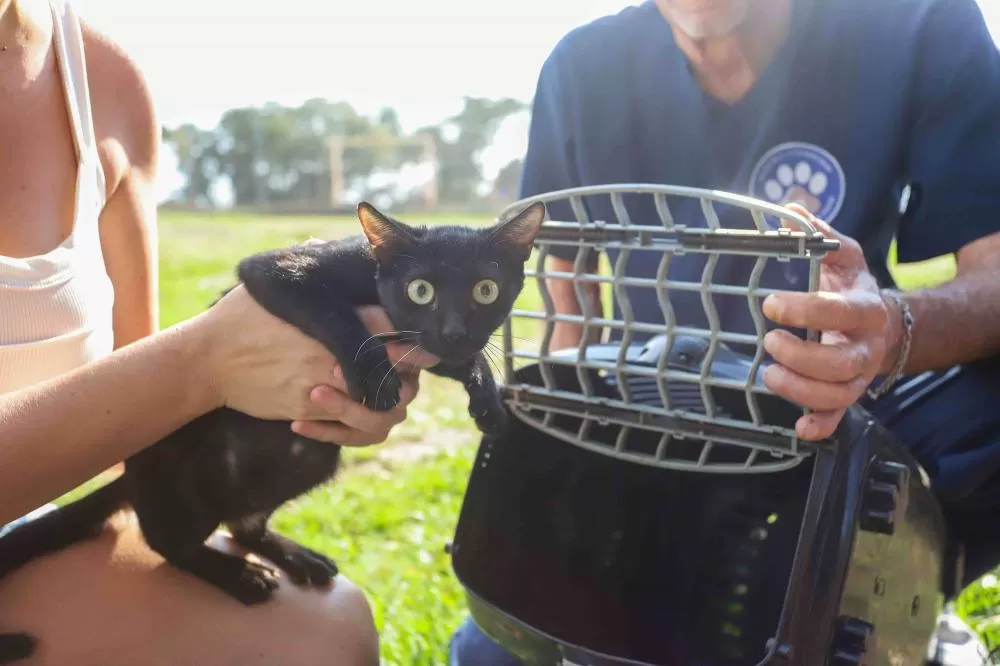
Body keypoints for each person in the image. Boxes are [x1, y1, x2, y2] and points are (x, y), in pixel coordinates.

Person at [448, 0, 1000, 663]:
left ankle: (906, 593)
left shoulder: (918, 23)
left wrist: (892, 329)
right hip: (659, 407)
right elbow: (565, 282)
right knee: (494, 653)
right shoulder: (583, 65)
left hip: (848, 400)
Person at [0, 0, 435, 663]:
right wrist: (202, 361)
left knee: (328, 630)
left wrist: (298, 392)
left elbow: (133, 418)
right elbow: (172, 373)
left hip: (24, 524)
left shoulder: (100, 78)